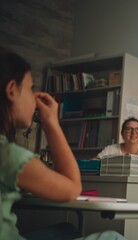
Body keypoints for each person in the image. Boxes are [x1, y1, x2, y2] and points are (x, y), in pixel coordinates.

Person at [0, 50, 125, 240]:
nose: (34, 97)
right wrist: (52, 123)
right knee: (112, 237)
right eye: (29, 88)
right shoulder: (9, 155)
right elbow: (73, 188)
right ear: (11, 90)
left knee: (67, 229)